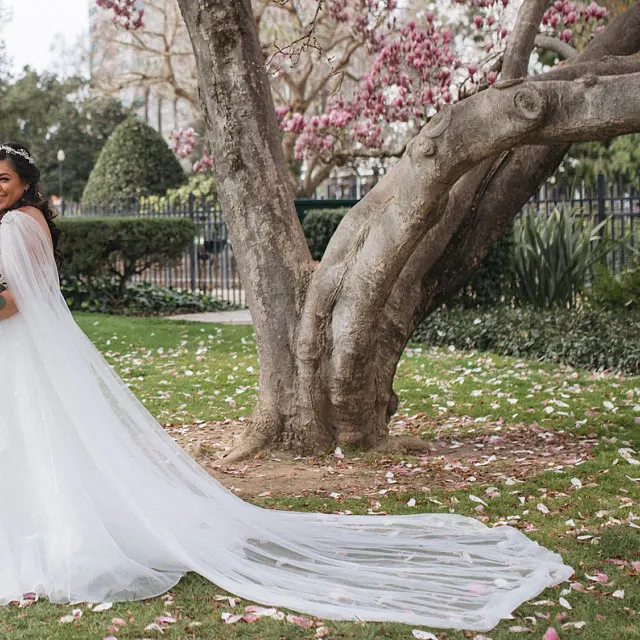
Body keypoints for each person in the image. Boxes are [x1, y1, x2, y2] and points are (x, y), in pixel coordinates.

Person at [0, 141, 574, 632]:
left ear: (27, 184)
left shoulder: (17, 224)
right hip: (27, 348)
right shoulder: (26, 222)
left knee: (37, 436)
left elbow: (17, 299)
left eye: (4, 178)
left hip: (23, 345)